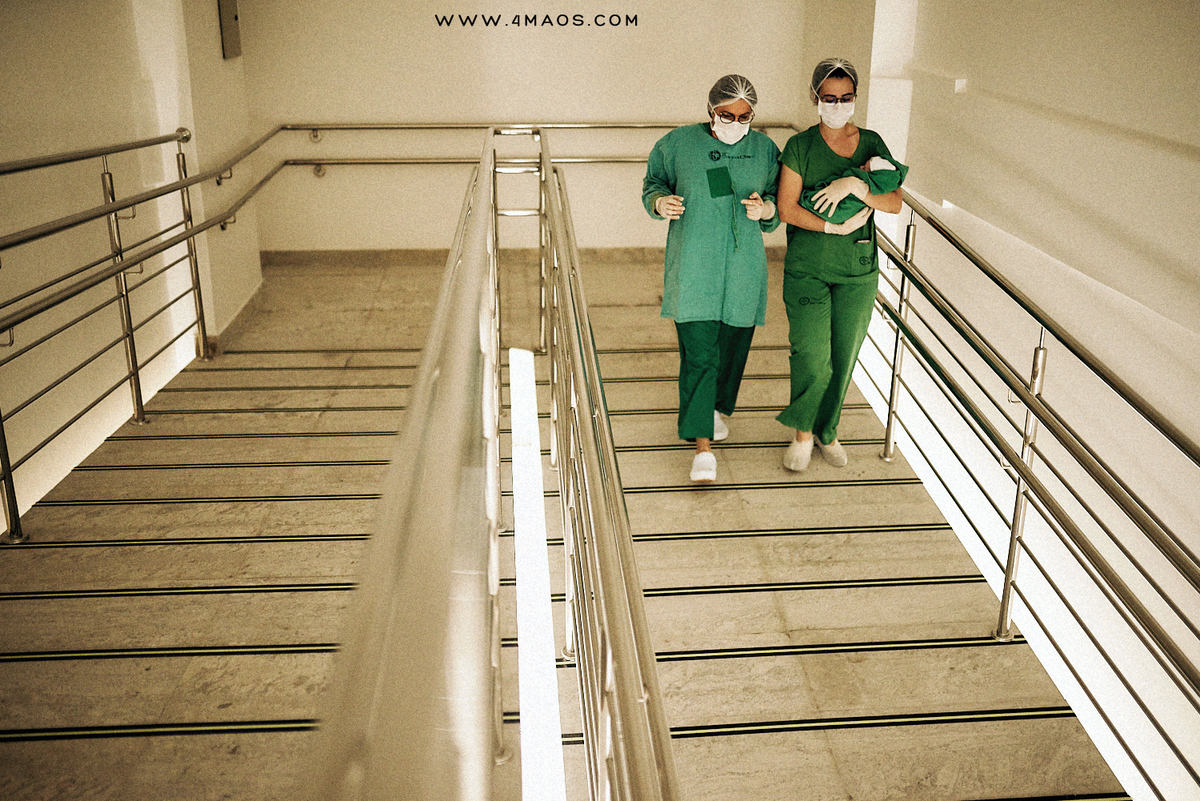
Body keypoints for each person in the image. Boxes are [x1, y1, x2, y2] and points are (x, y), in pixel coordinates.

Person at [643, 74, 781, 483]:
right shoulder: (679, 144)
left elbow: (779, 198)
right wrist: (658, 202)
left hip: (743, 269)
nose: (736, 123)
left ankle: (717, 408)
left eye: (745, 116)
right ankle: (702, 449)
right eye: (727, 115)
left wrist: (768, 210)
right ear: (711, 110)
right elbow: (653, 183)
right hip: (695, 268)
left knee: (734, 348)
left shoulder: (765, 151)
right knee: (700, 355)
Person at [774, 58, 905, 471]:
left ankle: (827, 430)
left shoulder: (872, 143)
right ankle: (802, 433)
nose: (838, 104)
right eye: (829, 98)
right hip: (809, 267)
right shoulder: (800, 147)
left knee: (845, 355)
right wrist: (829, 229)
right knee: (812, 355)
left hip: (858, 270)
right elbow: (786, 209)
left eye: (846, 97)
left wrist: (854, 185)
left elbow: (895, 202)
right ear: (815, 98)